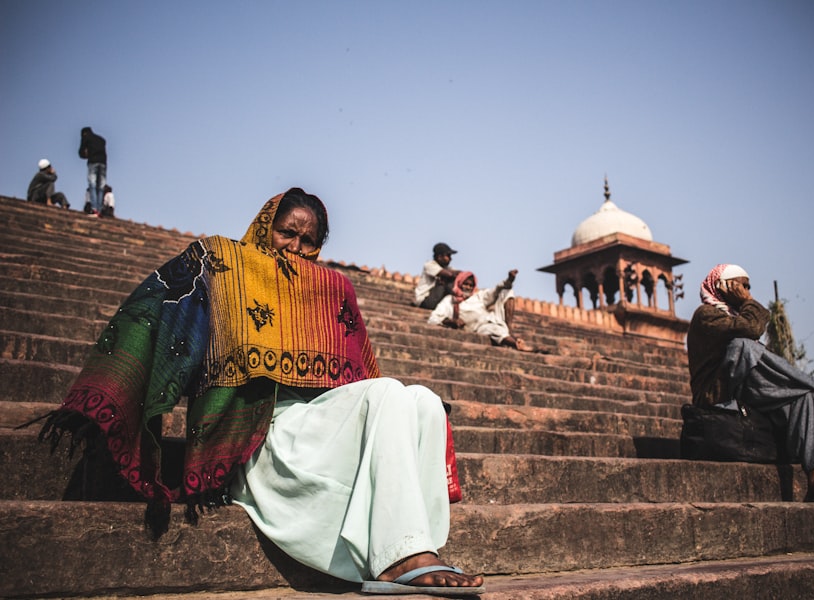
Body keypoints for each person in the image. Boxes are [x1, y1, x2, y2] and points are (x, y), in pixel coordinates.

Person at [37, 188, 485, 596]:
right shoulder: (222, 264)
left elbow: (359, 382)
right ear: (264, 224)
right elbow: (149, 313)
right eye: (286, 233)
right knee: (390, 393)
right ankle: (400, 559)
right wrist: (105, 392)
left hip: (321, 432)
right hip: (260, 434)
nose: (294, 248)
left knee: (422, 401)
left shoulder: (332, 288)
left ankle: (412, 543)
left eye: (308, 241)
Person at [686, 263, 814, 503]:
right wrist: (748, 301)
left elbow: (751, 330)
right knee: (742, 345)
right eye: (741, 285)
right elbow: (751, 328)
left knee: (802, 396)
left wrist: (745, 302)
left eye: (748, 287)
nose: (746, 291)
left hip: (746, 392)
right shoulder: (706, 315)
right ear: (723, 286)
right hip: (717, 393)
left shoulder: (735, 315)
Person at [428, 269, 536, 352]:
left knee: (507, 291)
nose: (468, 287)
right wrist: (451, 321)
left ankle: (511, 332)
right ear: (460, 283)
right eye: (466, 284)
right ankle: (516, 344)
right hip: (477, 328)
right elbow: (433, 319)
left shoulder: (478, 297)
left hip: (491, 320)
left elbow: (496, 290)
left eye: (471, 285)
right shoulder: (449, 301)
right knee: (494, 330)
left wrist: (509, 280)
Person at [413, 242, 460, 309]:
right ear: (440, 257)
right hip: (424, 300)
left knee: (455, 282)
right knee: (450, 282)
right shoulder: (429, 265)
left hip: (435, 299)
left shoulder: (447, 268)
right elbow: (450, 274)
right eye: (448, 256)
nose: (450, 259)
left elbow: (457, 273)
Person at [78, 126, 107, 213]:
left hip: (93, 162)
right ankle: (99, 209)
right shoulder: (101, 139)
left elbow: (81, 152)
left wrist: (86, 155)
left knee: (92, 185)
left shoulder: (86, 137)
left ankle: (94, 208)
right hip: (103, 163)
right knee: (101, 186)